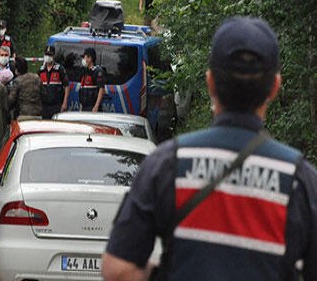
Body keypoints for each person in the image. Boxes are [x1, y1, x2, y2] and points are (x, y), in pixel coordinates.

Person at [102, 17, 317, 281]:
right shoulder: (300, 181)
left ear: (210, 82)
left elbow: (118, 269)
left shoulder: (168, 163)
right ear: (274, 87)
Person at [39, 45, 69, 119]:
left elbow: (66, 86)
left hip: (56, 104)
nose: (47, 57)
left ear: (53, 56)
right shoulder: (41, 70)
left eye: (50, 55)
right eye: (46, 54)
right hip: (44, 105)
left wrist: (64, 103)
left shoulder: (59, 69)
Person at [79, 48, 105, 112]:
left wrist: (96, 106)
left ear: (90, 58)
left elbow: (101, 89)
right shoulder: (85, 70)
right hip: (85, 106)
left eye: (84, 57)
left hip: (93, 107)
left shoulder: (97, 71)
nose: (83, 60)